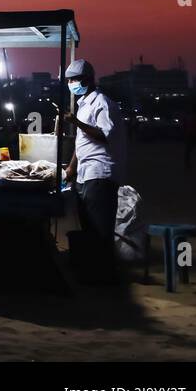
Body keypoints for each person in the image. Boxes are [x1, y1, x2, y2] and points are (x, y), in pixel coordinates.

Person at [61, 59, 127, 282]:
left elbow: (102, 135)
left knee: (101, 230)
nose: (71, 83)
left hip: (100, 174)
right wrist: (69, 170)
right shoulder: (83, 104)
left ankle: (106, 278)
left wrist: (77, 123)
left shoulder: (102, 103)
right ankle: (93, 274)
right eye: (69, 80)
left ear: (88, 80)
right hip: (84, 174)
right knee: (88, 228)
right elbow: (82, 145)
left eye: (75, 80)